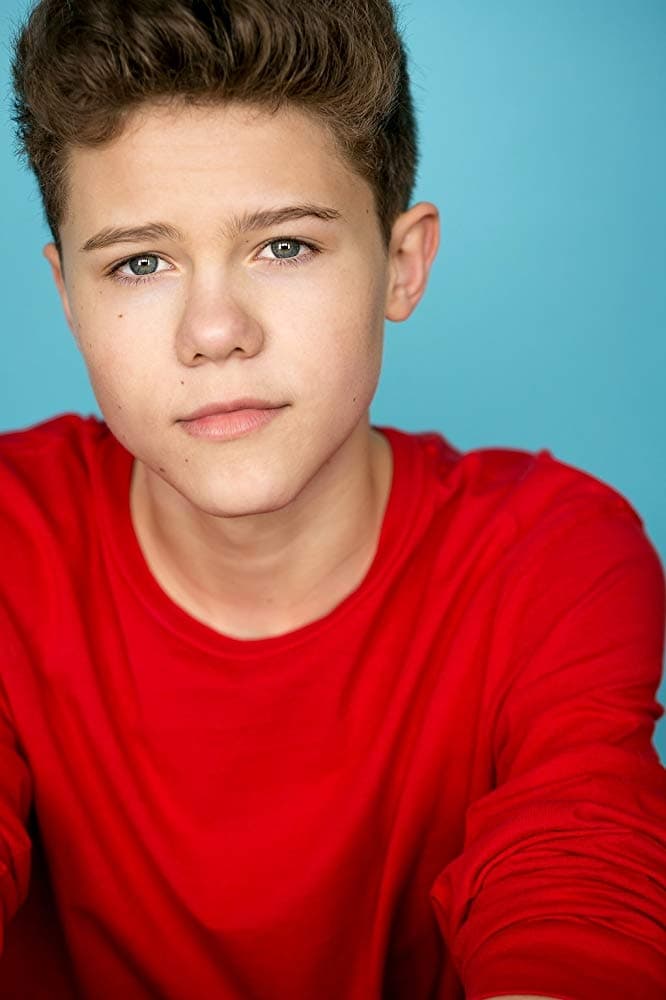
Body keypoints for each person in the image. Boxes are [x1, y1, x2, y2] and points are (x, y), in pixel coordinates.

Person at [1, 1, 664, 997]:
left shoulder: (554, 559)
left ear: (403, 264)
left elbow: (583, 886)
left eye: (285, 246)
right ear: (68, 298)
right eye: (140, 262)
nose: (214, 331)